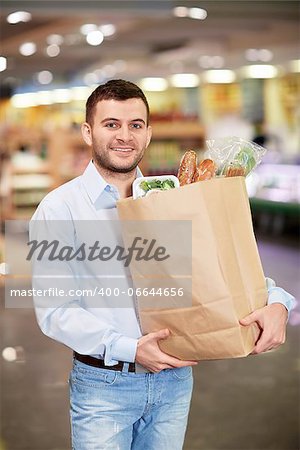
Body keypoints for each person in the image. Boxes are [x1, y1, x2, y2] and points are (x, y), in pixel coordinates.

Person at [31, 79, 295, 450]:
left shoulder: (171, 198)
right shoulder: (60, 210)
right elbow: (55, 311)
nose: (125, 136)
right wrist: (129, 347)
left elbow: (218, 267)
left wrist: (280, 301)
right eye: (111, 124)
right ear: (88, 132)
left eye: (135, 125)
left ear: (149, 133)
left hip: (175, 383)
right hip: (104, 388)